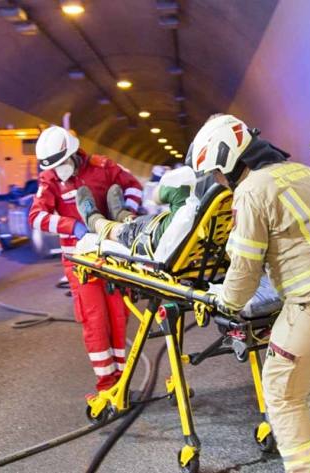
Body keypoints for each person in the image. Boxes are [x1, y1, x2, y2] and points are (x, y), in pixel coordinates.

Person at [194, 114, 310, 473]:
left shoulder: (250, 191)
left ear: (229, 161)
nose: (216, 181)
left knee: (283, 394)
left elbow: (244, 270)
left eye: (215, 172)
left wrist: (222, 301)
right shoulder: (305, 173)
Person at [28, 125, 143, 393]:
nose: (59, 170)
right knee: (95, 320)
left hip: (112, 256)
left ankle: (122, 381)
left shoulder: (102, 167)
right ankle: (106, 384)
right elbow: (36, 217)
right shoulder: (50, 181)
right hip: (81, 263)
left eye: (61, 163)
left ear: (73, 153)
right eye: (53, 167)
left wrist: (126, 213)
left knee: (118, 316)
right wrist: (72, 226)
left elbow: (133, 187)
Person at [75, 166, 198, 262]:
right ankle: (121, 214)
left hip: (158, 237)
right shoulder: (213, 197)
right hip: (175, 233)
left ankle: (94, 220)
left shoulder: (184, 179)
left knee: (129, 231)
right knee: (142, 221)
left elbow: (156, 198)